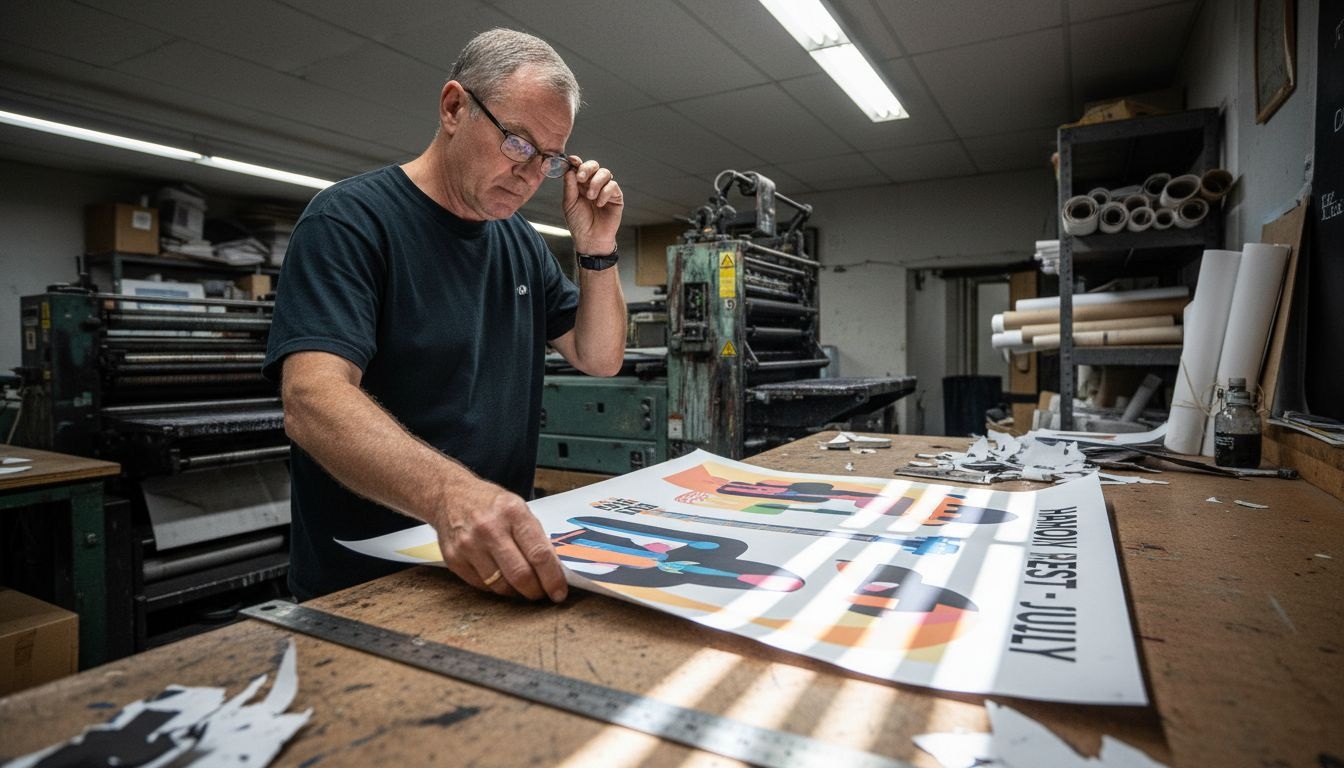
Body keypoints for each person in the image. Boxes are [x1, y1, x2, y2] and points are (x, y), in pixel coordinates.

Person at [262, 28, 626, 604]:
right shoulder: (349, 221)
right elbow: (311, 400)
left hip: (495, 567)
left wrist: (597, 248)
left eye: (550, 159)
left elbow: (599, 356)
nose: (531, 175)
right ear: (454, 107)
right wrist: (452, 497)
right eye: (518, 143)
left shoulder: (521, 242)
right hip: (365, 586)